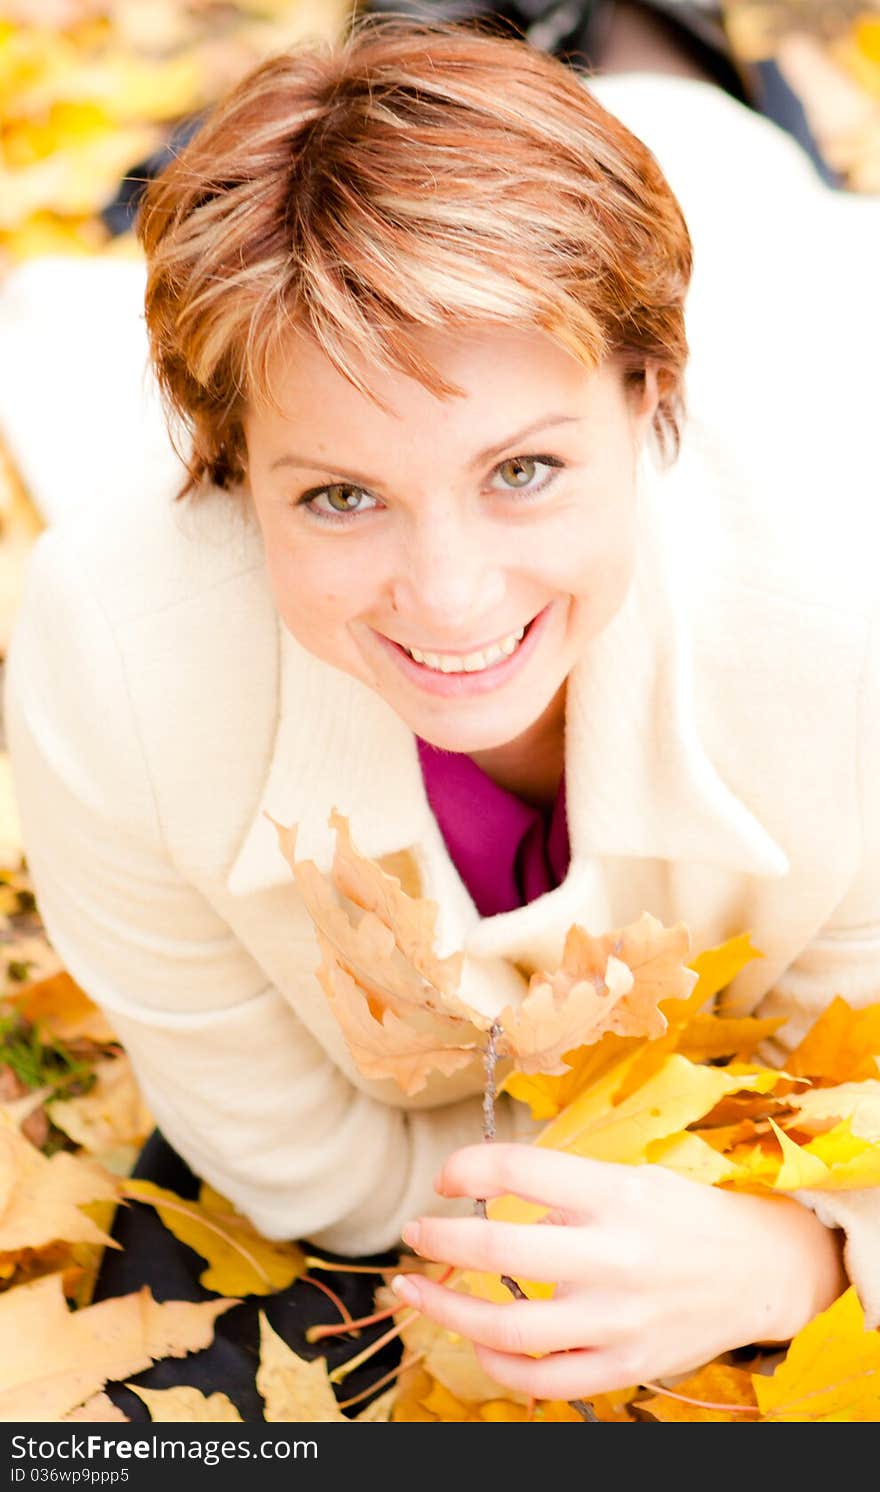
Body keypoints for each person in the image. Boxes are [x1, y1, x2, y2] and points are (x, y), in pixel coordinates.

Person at [4, 16, 880, 1409]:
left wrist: (804, 1255)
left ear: (651, 394)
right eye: (338, 497)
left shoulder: (848, 606)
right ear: (234, 477)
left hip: (766, 248)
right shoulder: (117, 648)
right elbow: (289, 1152)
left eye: (524, 471)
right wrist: (592, 1235)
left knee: (689, 120)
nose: (453, 601)